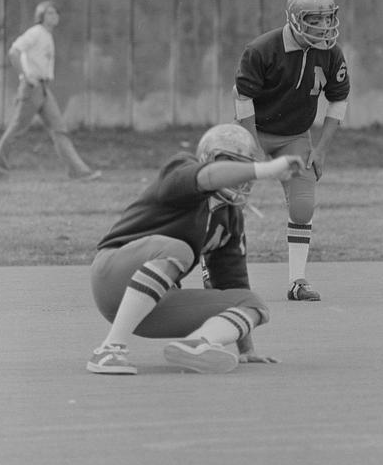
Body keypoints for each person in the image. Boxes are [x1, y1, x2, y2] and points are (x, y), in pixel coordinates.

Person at [87, 123, 305, 375]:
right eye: (233, 165)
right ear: (209, 159)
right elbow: (208, 177)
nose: (240, 177)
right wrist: (265, 169)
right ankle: (109, 348)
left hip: (151, 303)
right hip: (111, 274)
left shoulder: (230, 219)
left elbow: (231, 283)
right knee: (178, 249)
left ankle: (199, 343)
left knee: (253, 303)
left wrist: (245, 349)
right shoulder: (180, 169)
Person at [233, 0, 350, 301]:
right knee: (232, 200)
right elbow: (242, 97)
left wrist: (322, 149)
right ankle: (213, 267)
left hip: (295, 136)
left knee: (302, 206)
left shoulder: (331, 53)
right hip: (253, 132)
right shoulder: (262, 49)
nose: (325, 26)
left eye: (329, 18)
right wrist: (252, 146)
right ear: (296, 18)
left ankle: (297, 281)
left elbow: (338, 100)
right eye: (316, 19)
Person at [0, 0, 101, 181]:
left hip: (44, 88)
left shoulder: (47, 35)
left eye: (55, 13)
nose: (54, 16)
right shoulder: (35, 32)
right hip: (32, 87)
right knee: (16, 128)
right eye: (49, 13)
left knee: (59, 130)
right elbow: (14, 51)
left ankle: (78, 171)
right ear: (41, 16)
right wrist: (25, 76)